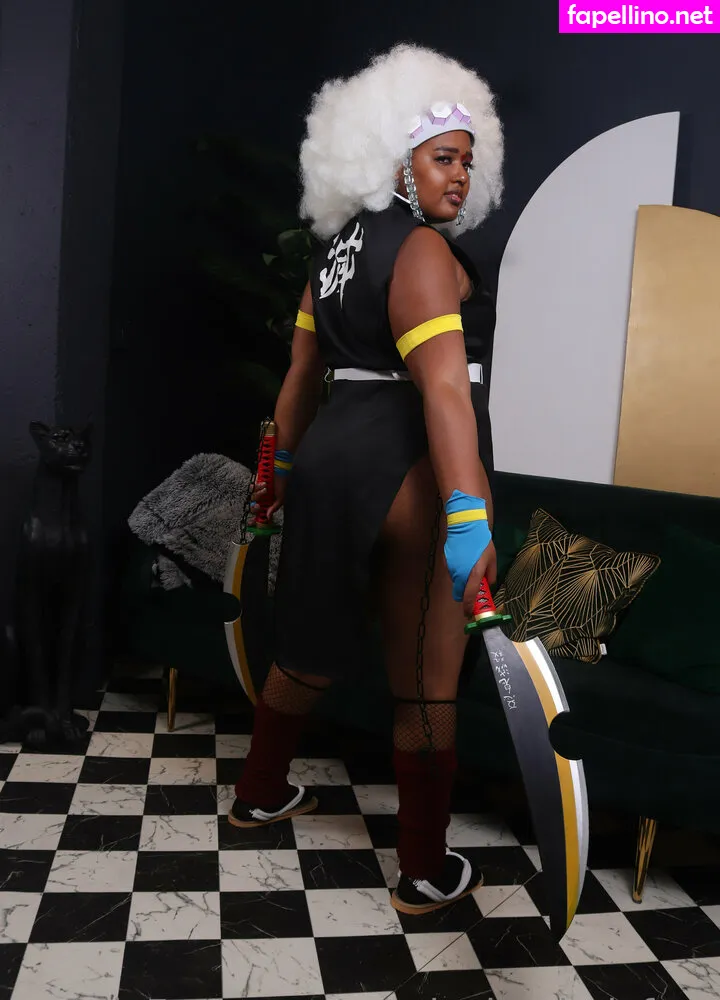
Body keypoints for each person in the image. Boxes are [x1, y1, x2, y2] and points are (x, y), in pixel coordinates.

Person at [229, 42, 504, 916]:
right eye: (443, 157)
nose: (460, 176)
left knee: (305, 640)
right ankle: (423, 870)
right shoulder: (419, 250)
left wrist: (275, 470)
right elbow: (445, 391)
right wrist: (468, 510)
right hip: (406, 465)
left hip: (328, 462)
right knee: (425, 673)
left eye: (467, 161)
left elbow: (300, 377)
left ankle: (258, 792)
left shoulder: (333, 257)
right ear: (394, 162)